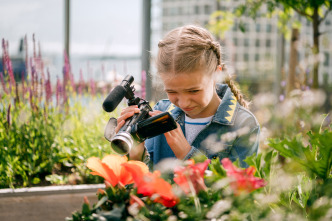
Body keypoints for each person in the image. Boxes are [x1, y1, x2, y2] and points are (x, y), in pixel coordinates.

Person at [115, 25, 260, 168]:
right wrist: (135, 154)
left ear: (217, 74)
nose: (184, 103)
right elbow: (145, 183)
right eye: (172, 92)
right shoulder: (159, 114)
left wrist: (187, 155)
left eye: (193, 91)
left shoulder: (243, 124)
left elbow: (239, 189)